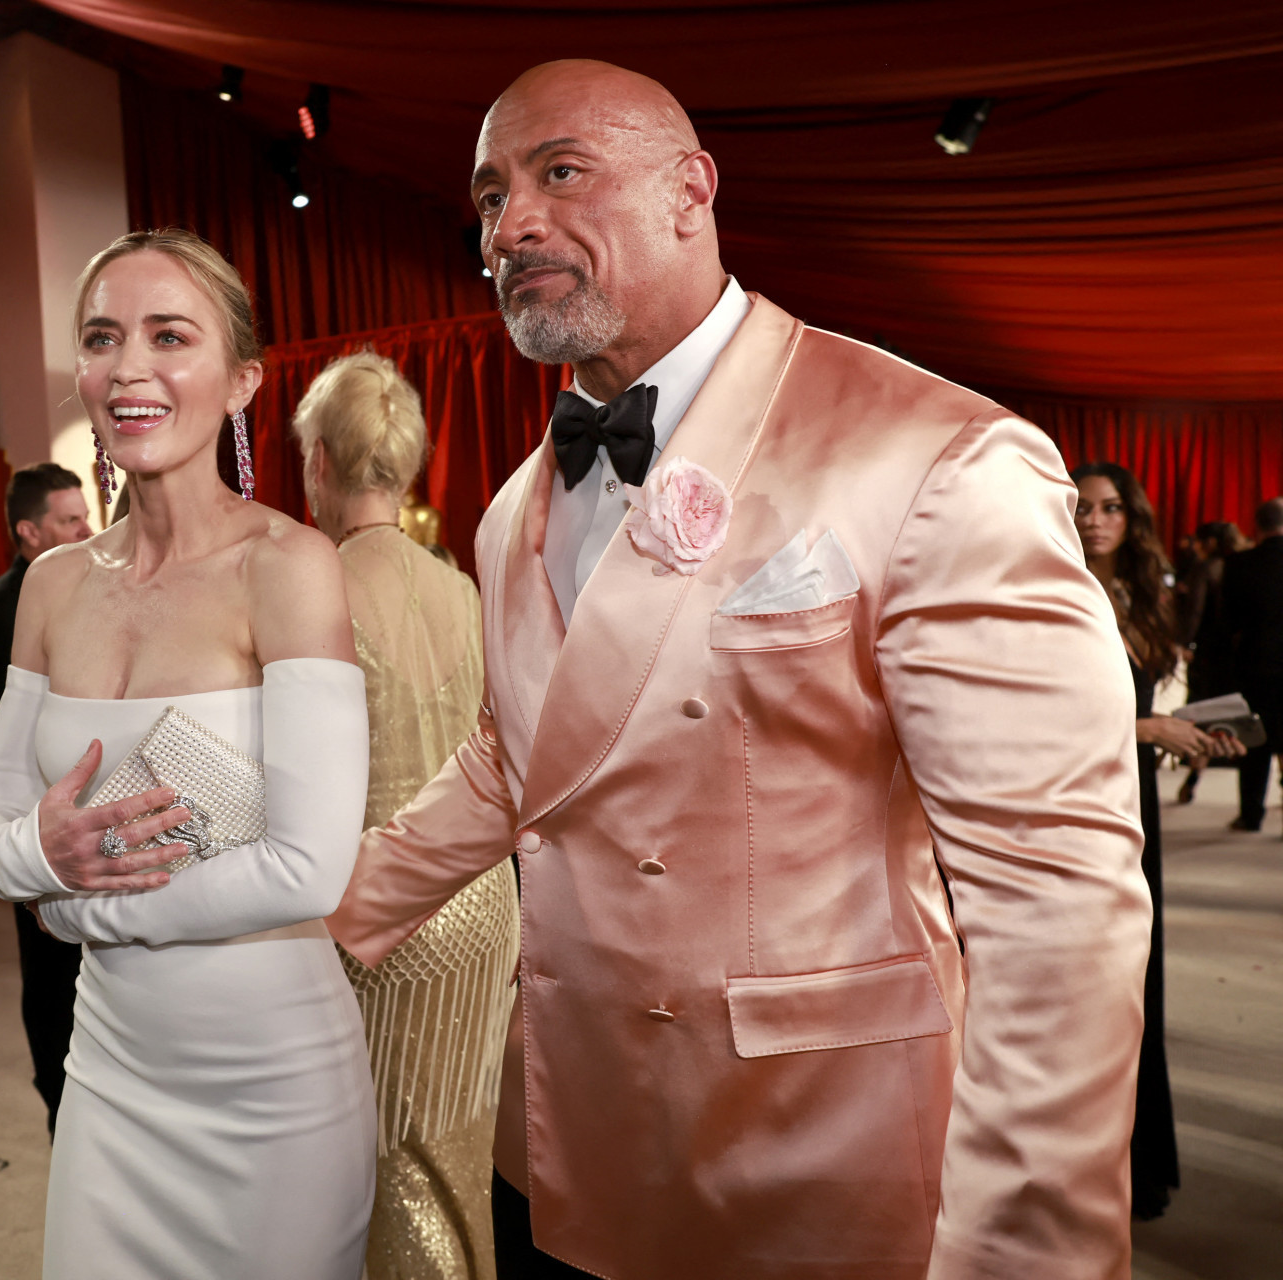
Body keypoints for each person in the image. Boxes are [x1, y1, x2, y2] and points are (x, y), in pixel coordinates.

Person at [327, 61, 1151, 1279]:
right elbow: (515, 762)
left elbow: (1058, 912)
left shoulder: (939, 455)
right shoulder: (514, 513)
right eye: (490, 196)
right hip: (572, 1146)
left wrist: (1028, 1249)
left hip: (824, 1160)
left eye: (562, 172)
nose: (512, 225)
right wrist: (316, 920)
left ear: (690, 191)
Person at [0, 228, 377, 1279]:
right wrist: (37, 856)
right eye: (103, 337)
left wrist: (67, 903)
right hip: (110, 1071)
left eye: (169, 335)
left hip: (273, 1089)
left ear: (241, 380)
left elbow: (308, 867)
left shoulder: (290, 566)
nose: (129, 367)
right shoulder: (52, 586)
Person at [296, 350, 518, 1280]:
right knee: (460, 1157)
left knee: (388, 1165)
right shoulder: (460, 585)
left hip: (374, 910)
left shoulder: (313, 588)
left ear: (319, 462)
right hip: (482, 903)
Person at [1072, 463, 1241, 1221]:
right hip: (1069, 810)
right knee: (1085, 990)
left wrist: (1188, 734)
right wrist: (1147, 728)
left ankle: (1139, 1164)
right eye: (1082, 508)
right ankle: (1082, 1172)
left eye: (1111, 508)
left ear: (1133, 520)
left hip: (1134, 804)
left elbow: (1135, 709)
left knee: (1140, 983)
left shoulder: (1143, 598)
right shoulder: (1044, 591)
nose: (1095, 521)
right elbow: (1032, 720)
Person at [0, 461, 93, 1135]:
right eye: (71, 520)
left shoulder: (103, 587)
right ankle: (58, 1110)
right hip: (34, 824)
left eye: (86, 514)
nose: (88, 528)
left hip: (105, 812)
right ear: (29, 532)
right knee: (48, 979)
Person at [1174, 520, 1247, 805]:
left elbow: (1195, 611)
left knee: (1204, 715)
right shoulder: (1244, 565)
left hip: (1209, 653)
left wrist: (1186, 643)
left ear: (1211, 542)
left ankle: (1193, 777)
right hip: (1242, 653)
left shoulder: (1206, 569)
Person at [1223, 497, 1283, 833]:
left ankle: (1251, 815)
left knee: (1255, 741)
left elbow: (1227, 622)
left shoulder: (1239, 564)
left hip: (1256, 665)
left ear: (1256, 527)